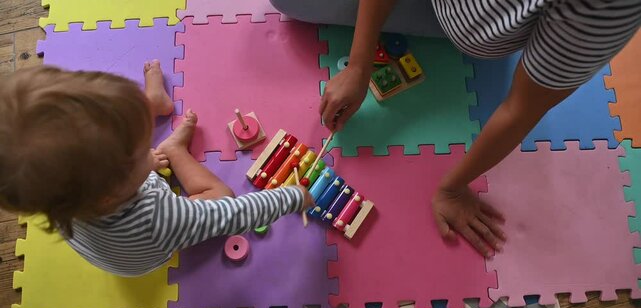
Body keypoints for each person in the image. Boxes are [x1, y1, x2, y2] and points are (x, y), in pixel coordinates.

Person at [273, 0, 641, 257]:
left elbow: (521, 108)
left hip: (471, 32)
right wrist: (358, 64)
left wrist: (451, 187)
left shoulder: (605, 9)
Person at [0, 62, 314, 277]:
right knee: (223, 194)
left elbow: (107, 153)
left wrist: (141, 160)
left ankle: (153, 102)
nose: (148, 145)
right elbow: (235, 212)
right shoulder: (160, 219)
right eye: (141, 152)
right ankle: (175, 150)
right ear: (114, 191)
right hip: (147, 248)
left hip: (106, 221)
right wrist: (293, 197)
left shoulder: (58, 197)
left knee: (105, 140)